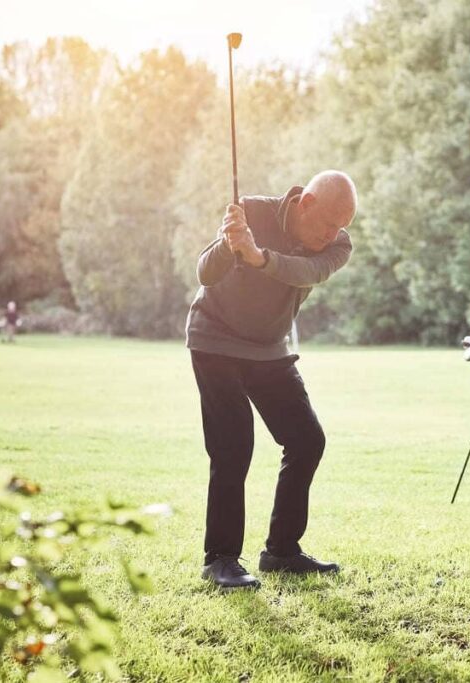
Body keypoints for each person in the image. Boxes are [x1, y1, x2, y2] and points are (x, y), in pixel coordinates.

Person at [186, 170, 355, 589]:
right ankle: (220, 560)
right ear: (306, 203)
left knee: (306, 440)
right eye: (326, 223)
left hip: (268, 348)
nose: (332, 234)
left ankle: (281, 552)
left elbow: (305, 272)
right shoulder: (253, 212)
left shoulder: (338, 244)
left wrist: (259, 256)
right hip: (216, 340)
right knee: (233, 446)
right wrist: (231, 245)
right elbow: (205, 274)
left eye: (341, 226)